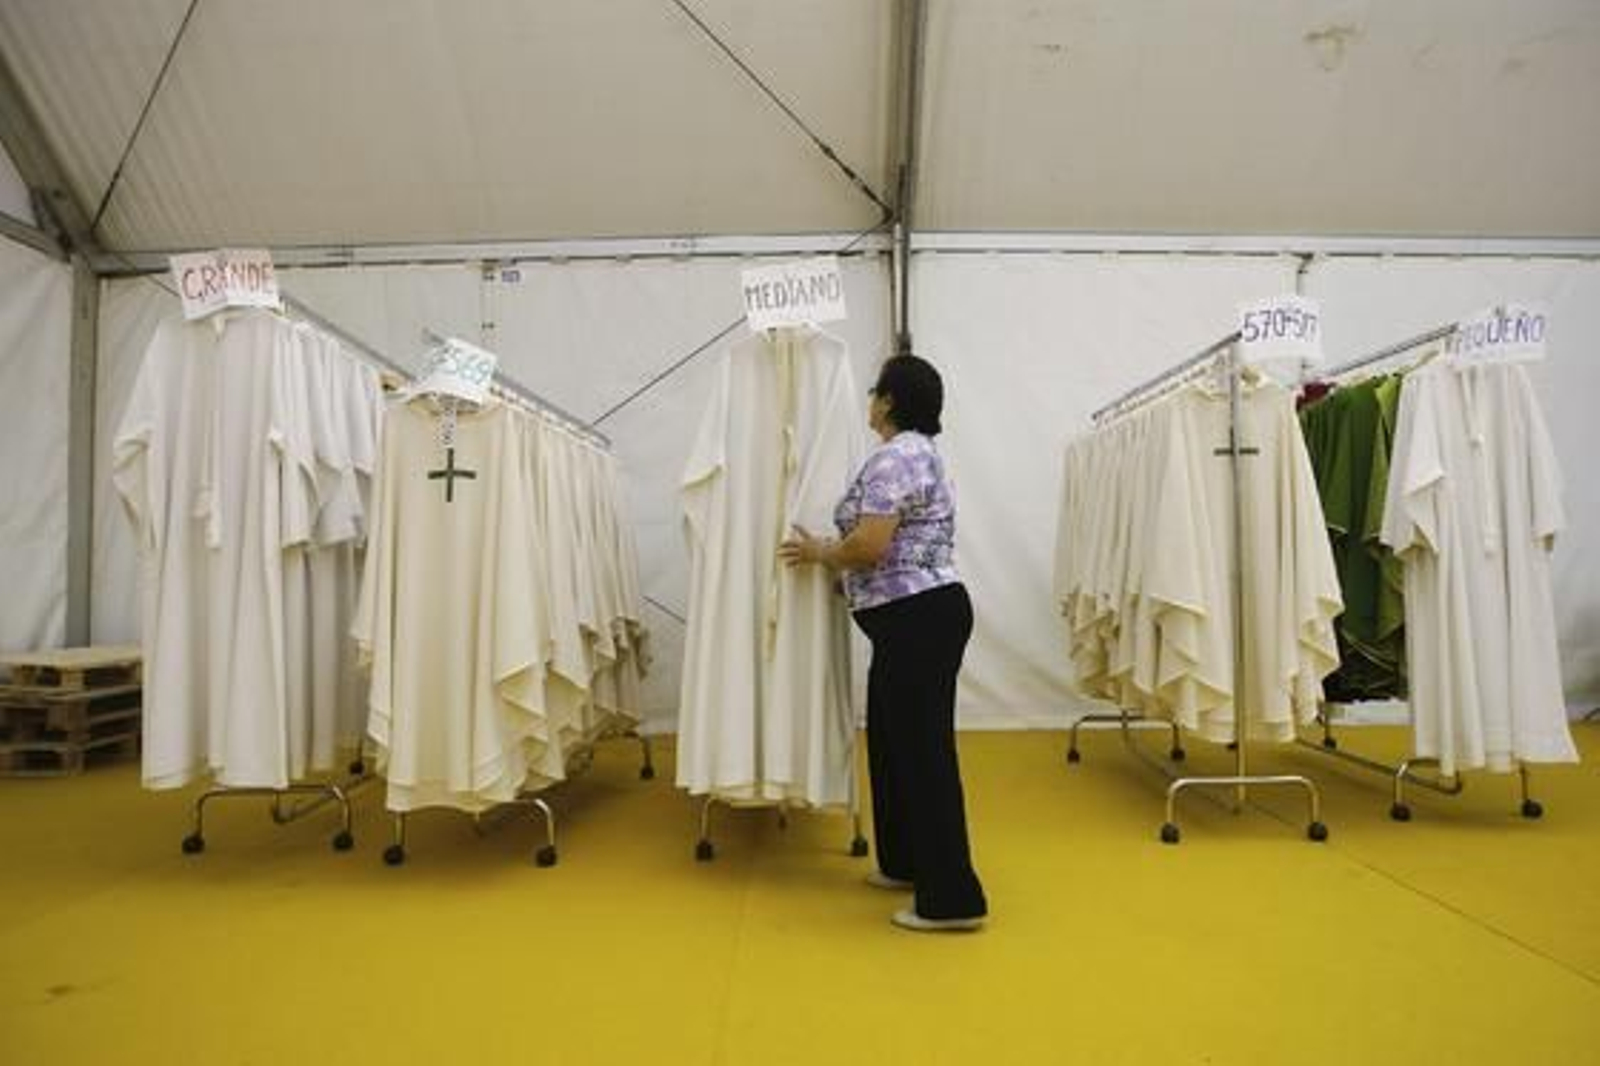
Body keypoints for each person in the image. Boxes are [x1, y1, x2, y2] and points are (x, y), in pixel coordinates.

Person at [778, 353, 988, 933]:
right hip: (915, 618)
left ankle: (953, 898)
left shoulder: (896, 457)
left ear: (889, 400)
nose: (869, 400)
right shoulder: (919, 454)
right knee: (893, 744)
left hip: (919, 617)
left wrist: (822, 551)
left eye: (876, 392)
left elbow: (870, 545)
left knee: (923, 755)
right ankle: (904, 861)